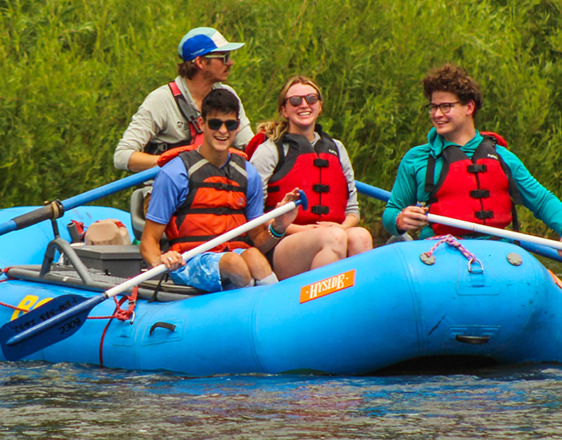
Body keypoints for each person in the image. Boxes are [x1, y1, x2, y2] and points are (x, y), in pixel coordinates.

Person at [383, 64, 562, 258]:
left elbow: (542, 201)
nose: (437, 114)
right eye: (433, 107)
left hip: (496, 253)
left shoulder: (502, 158)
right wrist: (400, 221)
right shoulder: (417, 159)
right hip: (440, 253)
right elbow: (392, 212)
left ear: (469, 107)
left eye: (446, 106)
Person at [141, 89, 297, 293]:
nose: (223, 131)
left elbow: (258, 242)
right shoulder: (176, 173)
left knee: (254, 257)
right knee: (234, 262)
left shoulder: (249, 174)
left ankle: (273, 305)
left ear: (237, 127)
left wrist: (279, 226)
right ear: (201, 124)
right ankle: (249, 305)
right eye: (215, 123)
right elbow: (148, 241)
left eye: (230, 124)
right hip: (190, 260)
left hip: (234, 254)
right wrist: (159, 261)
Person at [246, 76, 374, 277]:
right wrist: (307, 231)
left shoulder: (337, 149)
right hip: (285, 242)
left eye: (311, 99)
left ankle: (358, 304)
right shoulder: (270, 150)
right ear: (284, 110)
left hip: (334, 232)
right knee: (333, 238)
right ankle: (323, 305)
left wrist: (341, 227)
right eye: (295, 101)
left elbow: (353, 211)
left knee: (361, 236)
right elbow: (255, 214)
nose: (304, 105)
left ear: (319, 106)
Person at [113, 27, 256, 172]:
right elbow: (122, 156)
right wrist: (175, 162)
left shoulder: (228, 95)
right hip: (165, 187)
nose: (230, 63)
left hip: (211, 187)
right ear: (200, 62)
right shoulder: (161, 100)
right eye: (224, 57)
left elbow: (250, 147)